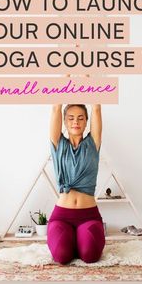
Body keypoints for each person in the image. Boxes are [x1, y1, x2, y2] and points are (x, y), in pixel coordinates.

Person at [47, 104, 105, 265]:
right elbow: (55, 108)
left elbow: (97, 108)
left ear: (87, 121)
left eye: (81, 118)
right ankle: (71, 239)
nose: (75, 122)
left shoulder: (93, 143)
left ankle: (78, 239)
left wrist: (87, 79)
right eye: (71, 118)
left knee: (90, 255)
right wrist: (66, 78)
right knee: (62, 256)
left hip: (89, 216)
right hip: (62, 217)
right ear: (64, 122)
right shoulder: (58, 145)